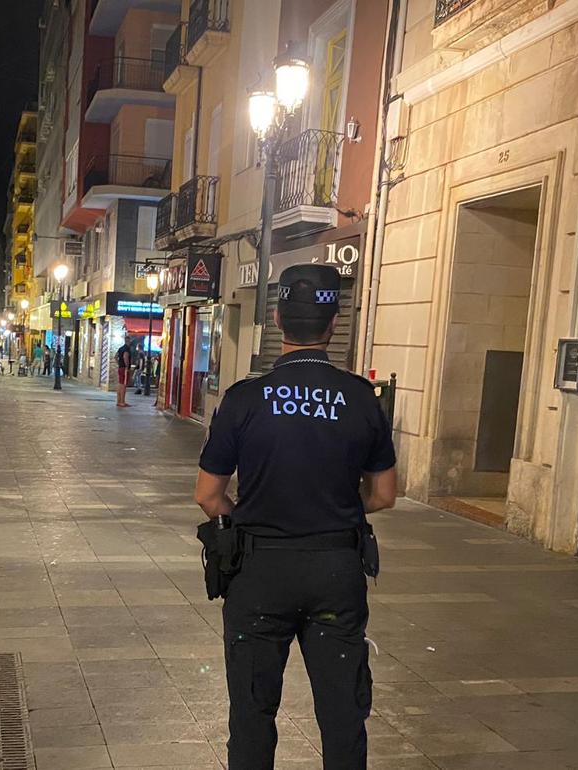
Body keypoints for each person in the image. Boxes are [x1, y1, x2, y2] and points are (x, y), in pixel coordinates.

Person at [194, 264, 397, 769]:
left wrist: (247, 515)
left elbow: (207, 496)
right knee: (343, 714)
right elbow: (385, 494)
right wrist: (341, 507)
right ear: (333, 323)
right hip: (334, 572)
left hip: (259, 575)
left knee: (253, 712)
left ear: (280, 318)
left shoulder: (242, 399)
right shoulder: (361, 400)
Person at [115, 334, 133, 407]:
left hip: (120, 368)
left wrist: (119, 363)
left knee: (120, 384)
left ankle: (118, 401)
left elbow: (116, 356)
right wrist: (127, 366)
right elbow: (125, 357)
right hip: (124, 369)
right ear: (129, 340)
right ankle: (122, 402)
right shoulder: (126, 348)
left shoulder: (120, 348)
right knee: (123, 385)